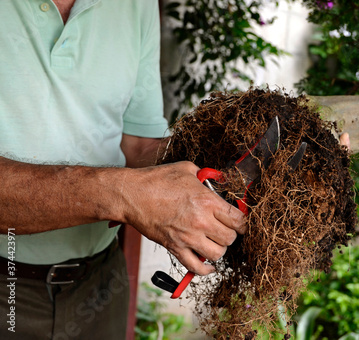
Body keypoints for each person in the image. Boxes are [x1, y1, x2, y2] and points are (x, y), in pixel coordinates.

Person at [0, 0, 246, 339]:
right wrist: (123, 195)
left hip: (99, 286)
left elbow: (139, 144)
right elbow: (127, 190)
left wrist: (223, 164)